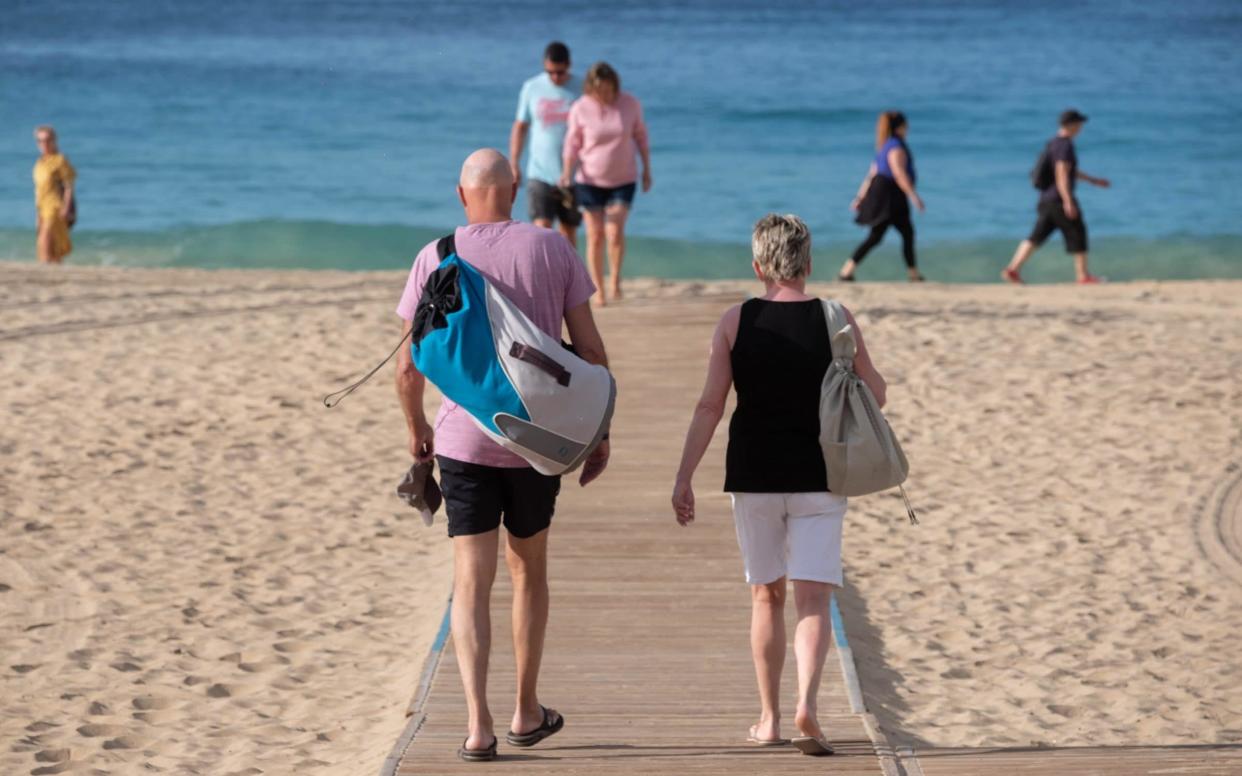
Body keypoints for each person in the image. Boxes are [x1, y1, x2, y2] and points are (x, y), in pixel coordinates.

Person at [395, 149, 611, 762]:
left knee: (470, 581)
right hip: (537, 442)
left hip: (463, 442)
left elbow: (408, 367)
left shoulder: (435, 256)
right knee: (528, 572)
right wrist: (597, 436)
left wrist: (417, 430)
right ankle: (525, 709)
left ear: (462, 194)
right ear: (514, 190)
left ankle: (477, 726)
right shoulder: (553, 249)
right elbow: (591, 354)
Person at [671, 214, 888, 756]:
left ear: (758, 266)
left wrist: (684, 475)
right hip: (820, 473)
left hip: (755, 474)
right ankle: (808, 708)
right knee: (813, 599)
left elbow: (710, 405)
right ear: (808, 264)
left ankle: (769, 719)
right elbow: (876, 393)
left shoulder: (735, 320)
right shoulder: (837, 317)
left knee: (766, 596)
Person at [559, 62, 651, 306]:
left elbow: (641, 136)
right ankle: (598, 288)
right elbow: (572, 143)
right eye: (600, 89)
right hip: (589, 180)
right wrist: (567, 171)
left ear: (615, 85)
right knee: (595, 235)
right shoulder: (580, 107)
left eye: (609, 89)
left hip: (623, 179)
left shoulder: (630, 104)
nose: (605, 94)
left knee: (614, 232)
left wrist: (647, 170)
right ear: (591, 87)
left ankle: (616, 280)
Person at [1003, 109, 1111, 284]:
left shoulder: (1053, 143)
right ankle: (1083, 276)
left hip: (1046, 198)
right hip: (1058, 199)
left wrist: (1093, 180)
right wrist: (1068, 201)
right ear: (1071, 125)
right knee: (1078, 231)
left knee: (1037, 236)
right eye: (1079, 124)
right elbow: (1062, 173)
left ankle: (1012, 269)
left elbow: (1068, 171)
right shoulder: (1065, 145)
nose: (1081, 127)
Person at [510, 41, 582, 248]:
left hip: (573, 175)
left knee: (568, 233)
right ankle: (544, 278)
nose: (555, 77)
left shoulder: (582, 87)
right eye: (550, 72)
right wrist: (514, 163)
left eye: (560, 72)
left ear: (568, 65)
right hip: (539, 172)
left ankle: (566, 277)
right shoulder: (531, 87)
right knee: (541, 230)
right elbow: (520, 126)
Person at [839, 111, 925, 283]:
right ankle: (913, 274)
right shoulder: (896, 147)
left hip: (883, 193)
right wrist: (914, 196)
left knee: (888, 235)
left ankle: (847, 271)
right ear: (900, 127)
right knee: (891, 234)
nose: (907, 129)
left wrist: (860, 197)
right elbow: (899, 174)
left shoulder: (883, 146)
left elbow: (871, 174)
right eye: (906, 126)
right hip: (891, 196)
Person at [32, 125, 76, 264]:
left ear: (54, 140)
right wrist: (37, 213)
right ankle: (54, 275)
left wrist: (67, 208)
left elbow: (69, 186)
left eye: (47, 140)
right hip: (42, 208)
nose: (44, 144)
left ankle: (45, 271)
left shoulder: (60, 160)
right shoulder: (39, 163)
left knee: (46, 239)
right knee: (50, 245)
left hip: (56, 206)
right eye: (40, 141)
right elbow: (39, 190)